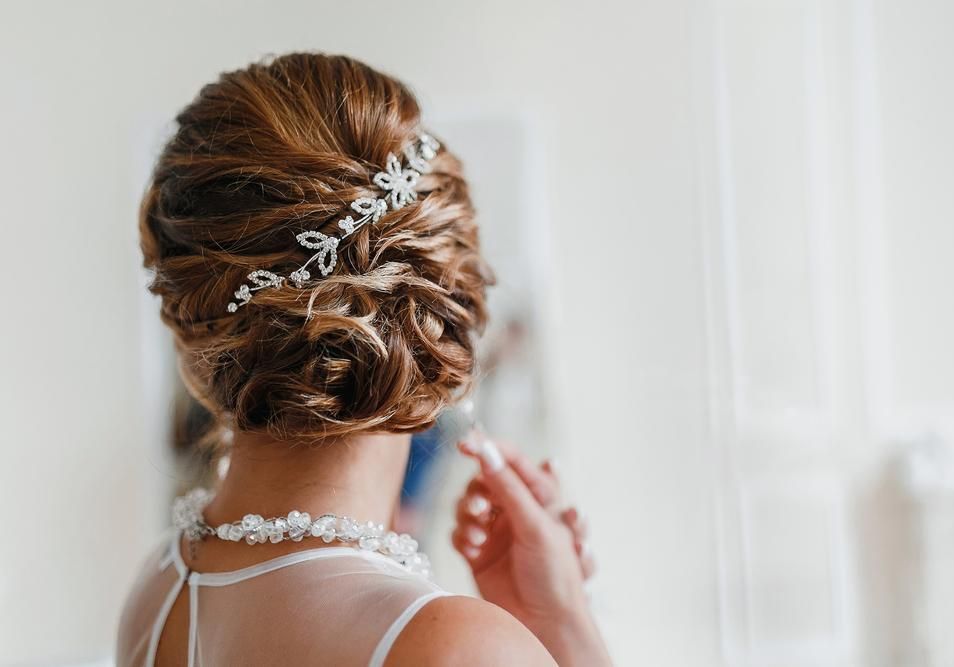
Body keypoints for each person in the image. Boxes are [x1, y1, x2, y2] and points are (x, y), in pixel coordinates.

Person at [117, 53, 613, 666]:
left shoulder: (157, 593)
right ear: (450, 310)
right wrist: (565, 628)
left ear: (190, 321)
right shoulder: (453, 646)